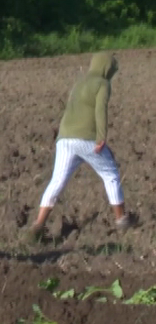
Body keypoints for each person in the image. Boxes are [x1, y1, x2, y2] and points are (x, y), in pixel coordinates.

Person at [27, 51, 132, 240]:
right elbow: (101, 110)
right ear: (107, 69)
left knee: (57, 181)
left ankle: (39, 225)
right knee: (111, 175)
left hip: (65, 138)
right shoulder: (103, 84)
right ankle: (122, 221)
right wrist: (101, 138)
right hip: (87, 139)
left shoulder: (79, 82)